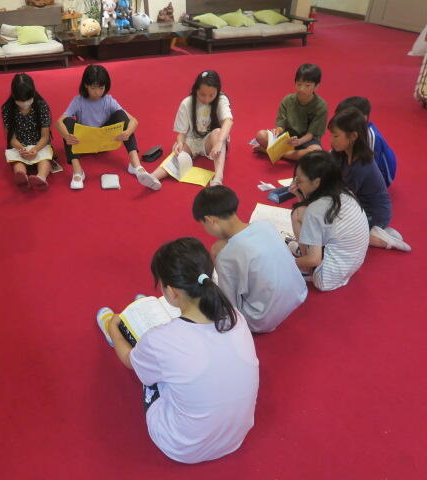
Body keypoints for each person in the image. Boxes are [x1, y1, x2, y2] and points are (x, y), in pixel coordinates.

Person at [96, 237, 259, 464]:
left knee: (150, 367)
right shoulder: (235, 317)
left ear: (171, 292)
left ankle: (129, 320)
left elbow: (128, 360)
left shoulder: (160, 340)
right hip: (234, 438)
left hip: (183, 446)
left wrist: (114, 329)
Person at [192, 186, 307, 333]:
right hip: (298, 294)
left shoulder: (225, 256)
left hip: (260, 320)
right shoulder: (265, 225)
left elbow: (230, 306)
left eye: (203, 225)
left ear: (210, 220)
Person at [55, 64, 160, 190]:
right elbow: (59, 122)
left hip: (104, 142)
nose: (97, 92)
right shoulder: (78, 101)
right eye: (93, 88)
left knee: (121, 115)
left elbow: (134, 120)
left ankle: (135, 165)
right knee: (67, 122)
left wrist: (127, 133)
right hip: (84, 144)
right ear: (86, 85)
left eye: (101, 88)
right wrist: (67, 136)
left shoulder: (108, 100)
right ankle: (78, 172)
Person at [328, 108, 410, 251]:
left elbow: (343, 199)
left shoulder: (361, 165)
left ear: (353, 136)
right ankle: (377, 231)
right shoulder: (341, 153)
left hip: (374, 213)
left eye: (335, 136)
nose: (331, 140)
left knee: (334, 233)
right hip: (357, 205)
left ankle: (383, 239)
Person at [288, 151, 370, 291]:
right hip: (352, 264)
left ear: (317, 182)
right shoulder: (343, 192)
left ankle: (306, 267)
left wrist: (288, 263)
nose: (296, 184)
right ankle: (305, 255)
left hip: (325, 277)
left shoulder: (315, 209)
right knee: (301, 211)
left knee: (297, 214)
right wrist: (300, 196)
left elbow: (314, 259)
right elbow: (317, 215)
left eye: (299, 181)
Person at [146, 70, 233, 187]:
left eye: (211, 95)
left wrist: (220, 142)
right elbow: (182, 133)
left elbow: (228, 121)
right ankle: (153, 176)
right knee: (178, 154)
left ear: (217, 91)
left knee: (218, 133)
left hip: (210, 141)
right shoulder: (187, 103)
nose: (207, 99)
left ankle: (218, 178)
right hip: (191, 140)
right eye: (202, 94)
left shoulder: (221, 99)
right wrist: (180, 143)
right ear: (196, 89)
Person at [254, 63, 327, 162]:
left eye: (307, 85)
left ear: (316, 86)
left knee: (316, 151)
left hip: (307, 140)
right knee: (261, 135)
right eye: (299, 84)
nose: (301, 89)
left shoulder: (320, 106)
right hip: (287, 136)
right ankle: (286, 154)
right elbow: (281, 125)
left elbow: (311, 134)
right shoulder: (288, 100)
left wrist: (299, 141)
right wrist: (277, 131)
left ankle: (269, 151)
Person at [2, 73, 53, 191]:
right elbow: (11, 138)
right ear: (14, 96)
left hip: (39, 144)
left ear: (33, 93)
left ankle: (41, 177)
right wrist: (22, 149)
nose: (25, 104)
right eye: (21, 101)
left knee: (45, 159)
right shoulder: (7, 108)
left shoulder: (41, 105)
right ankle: (22, 176)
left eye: (28, 100)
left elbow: (45, 136)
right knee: (17, 161)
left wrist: (36, 149)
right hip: (19, 145)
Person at [335, 96, 397, 187]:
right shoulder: (350, 130)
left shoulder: (370, 136)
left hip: (382, 176)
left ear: (362, 118)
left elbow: (368, 166)